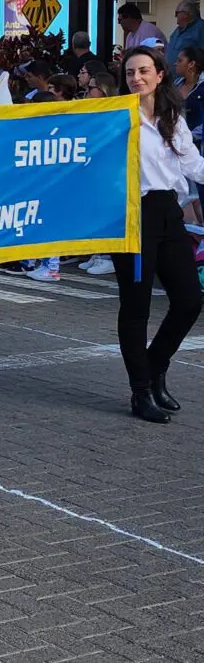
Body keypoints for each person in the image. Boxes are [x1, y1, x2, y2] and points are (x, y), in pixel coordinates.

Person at [113, 47, 204, 423]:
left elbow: (192, 164)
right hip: (132, 215)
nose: (137, 78)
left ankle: (155, 366)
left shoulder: (171, 115)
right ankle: (140, 391)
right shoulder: (116, 117)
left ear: (160, 74)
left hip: (168, 211)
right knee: (136, 308)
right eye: (130, 72)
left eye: (144, 71)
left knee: (189, 300)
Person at [174, 46, 204, 140]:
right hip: (174, 141)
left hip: (197, 145)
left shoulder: (202, 87)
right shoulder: (176, 84)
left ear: (191, 64)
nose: (175, 63)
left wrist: (190, 136)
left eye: (180, 60)